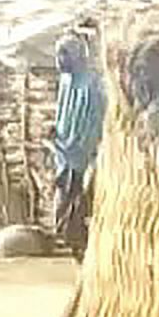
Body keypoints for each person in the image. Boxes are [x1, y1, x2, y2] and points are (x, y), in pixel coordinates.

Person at [51, 32, 105, 253]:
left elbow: (95, 119)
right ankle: (71, 240)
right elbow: (62, 112)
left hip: (83, 155)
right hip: (63, 154)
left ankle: (81, 245)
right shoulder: (65, 81)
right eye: (58, 54)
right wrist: (56, 131)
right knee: (64, 198)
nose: (60, 59)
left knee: (79, 202)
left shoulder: (92, 84)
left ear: (77, 55)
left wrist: (81, 145)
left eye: (65, 54)